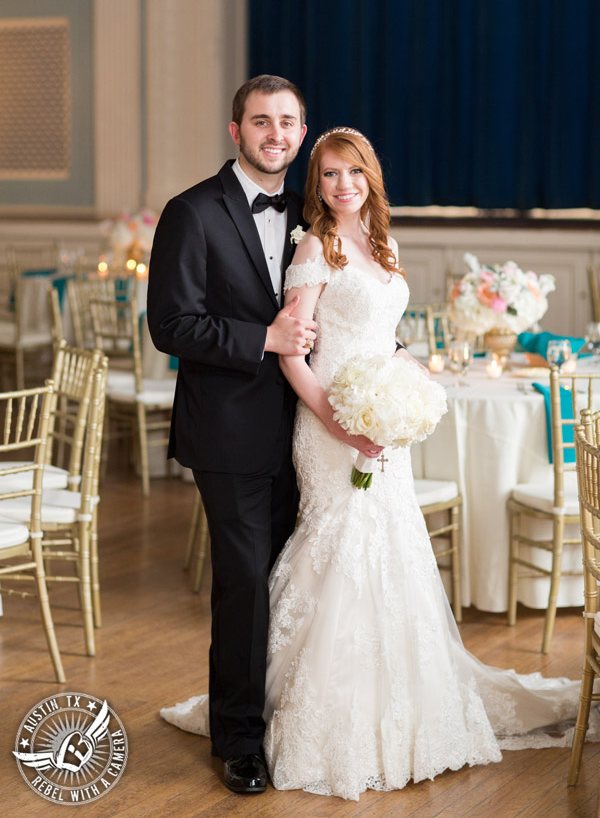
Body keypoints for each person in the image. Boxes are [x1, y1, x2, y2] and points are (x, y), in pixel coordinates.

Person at [161, 128, 600, 800]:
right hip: (328, 423)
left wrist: (403, 373)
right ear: (318, 183)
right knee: (337, 554)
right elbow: (291, 354)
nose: (343, 186)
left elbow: (374, 330)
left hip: (376, 424)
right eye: (330, 175)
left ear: (371, 179)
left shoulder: (380, 245)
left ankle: (401, 709)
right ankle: (315, 720)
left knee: (392, 553)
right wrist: (341, 420)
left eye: (354, 173)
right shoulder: (314, 249)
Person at [148, 74, 325, 795]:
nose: (275, 134)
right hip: (229, 433)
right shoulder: (191, 212)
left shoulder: (317, 211)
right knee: (246, 586)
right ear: (236, 131)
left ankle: (295, 715)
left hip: (310, 432)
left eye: (287, 122)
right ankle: (240, 740)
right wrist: (264, 337)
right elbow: (171, 326)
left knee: (297, 580)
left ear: (302, 132)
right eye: (261, 122)